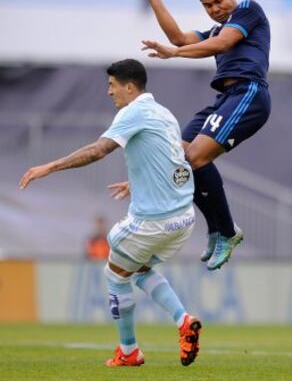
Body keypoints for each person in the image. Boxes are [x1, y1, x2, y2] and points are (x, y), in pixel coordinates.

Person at [19, 59, 202, 368]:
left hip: (153, 222)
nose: (108, 92)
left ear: (129, 87)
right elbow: (174, 157)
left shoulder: (132, 112)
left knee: (115, 274)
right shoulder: (164, 113)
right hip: (184, 218)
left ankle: (129, 351)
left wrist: (49, 166)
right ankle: (184, 321)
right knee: (138, 269)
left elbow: (98, 150)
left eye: (111, 85)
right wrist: (138, 181)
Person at [139, 0, 271, 271]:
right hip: (225, 99)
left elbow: (223, 45)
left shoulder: (248, 9)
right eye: (208, 6)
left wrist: (175, 54)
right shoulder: (214, 30)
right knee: (180, 156)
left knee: (195, 157)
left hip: (248, 93)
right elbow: (178, 37)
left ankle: (227, 232)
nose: (215, 9)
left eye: (219, 0)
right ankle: (216, 228)